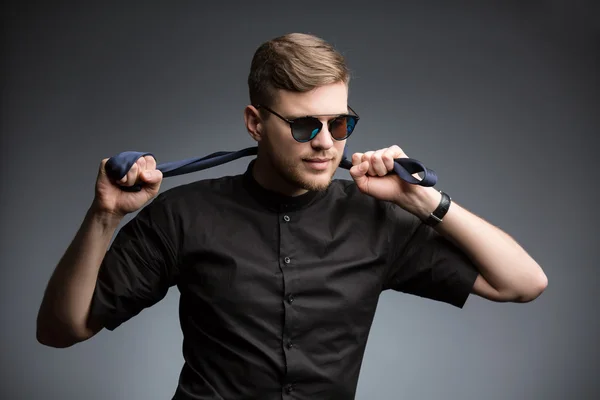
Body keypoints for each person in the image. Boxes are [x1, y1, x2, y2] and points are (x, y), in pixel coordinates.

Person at [36, 32, 548, 399]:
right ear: (255, 123)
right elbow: (61, 330)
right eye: (305, 126)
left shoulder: (377, 219)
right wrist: (104, 215)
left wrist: (424, 203)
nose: (326, 142)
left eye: (340, 123)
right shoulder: (182, 216)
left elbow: (523, 283)